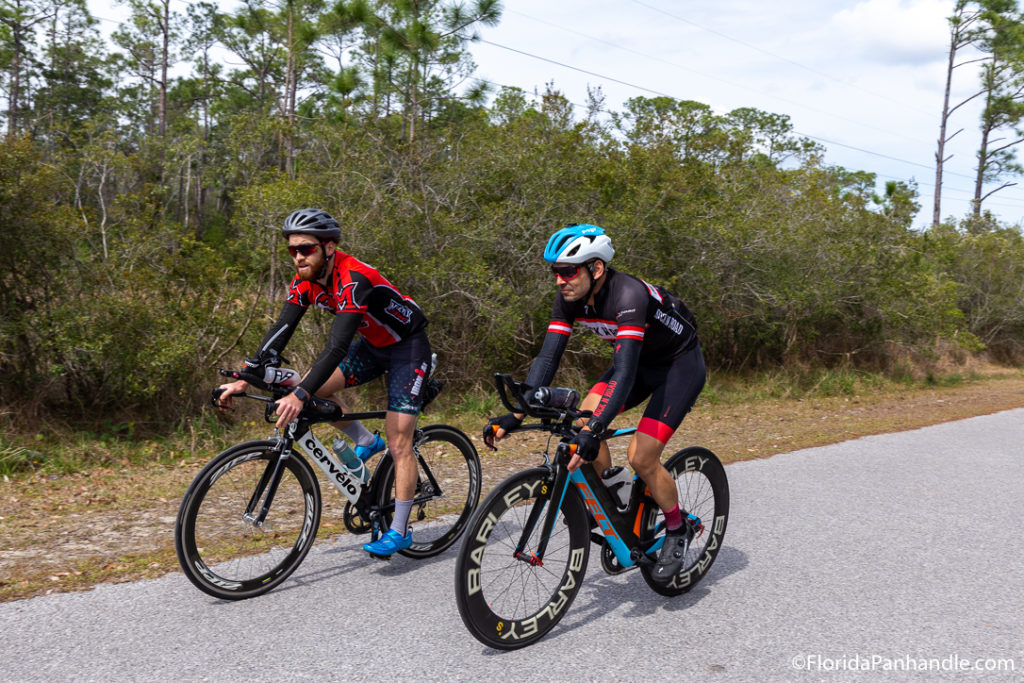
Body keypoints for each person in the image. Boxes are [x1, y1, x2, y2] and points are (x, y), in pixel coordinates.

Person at [483, 223, 706, 584]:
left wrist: (597, 427)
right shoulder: (569, 297)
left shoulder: (628, 295)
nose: (560, 280)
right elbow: (548, 357)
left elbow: (624, 371)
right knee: (579, 423)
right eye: (555, 272)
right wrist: (516, 413)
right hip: (635, 365)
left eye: (568, 271)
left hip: (679, 366)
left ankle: (678, 528)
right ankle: (613, 491)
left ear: (596, 268)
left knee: (641, 456)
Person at [216, 208, 433, 557]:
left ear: (329, 247)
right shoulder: (304, 281)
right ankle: (365, 440)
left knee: (399, 442)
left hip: (408, 348)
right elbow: (281, 330)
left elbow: (336, 347)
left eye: (306, 249)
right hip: (375, 346)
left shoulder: (354, 279)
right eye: (292, 250)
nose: (299, 256)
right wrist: (246, 377)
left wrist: (299, 395)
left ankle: (400, 530)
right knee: (312, 389)